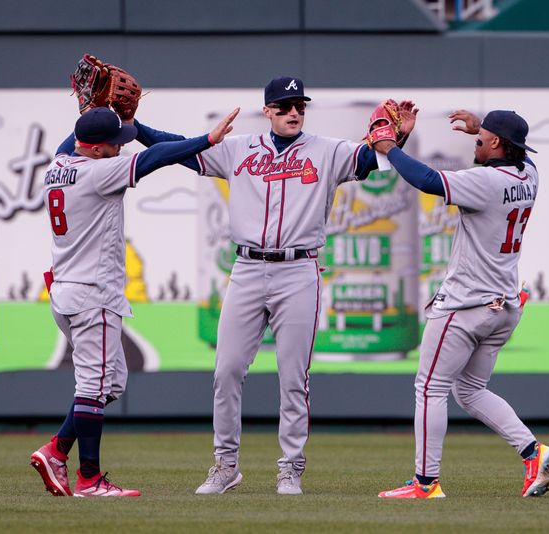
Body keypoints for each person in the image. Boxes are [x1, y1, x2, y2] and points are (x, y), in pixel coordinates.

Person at [130, 77, 413, 495]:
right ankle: (225, 465)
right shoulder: (238, 148)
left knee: (293, 376)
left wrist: (400, 136)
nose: (293, 112)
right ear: (267, 111)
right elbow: (179, 148)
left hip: (298, 272)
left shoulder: (327, 151)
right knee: (226, 370)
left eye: (299, 105)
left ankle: (290, 469)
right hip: (246, 269)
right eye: (283, 106)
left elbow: (370, 160)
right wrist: (134, 127)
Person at [30, 105, 239, 498]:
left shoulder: (58, 165)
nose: (119, 149)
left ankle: (56, 449)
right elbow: (154, 157)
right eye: (113, 145)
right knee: (93, 386)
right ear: (93, 149)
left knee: (111, 382)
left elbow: (75, 139)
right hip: (93, 295)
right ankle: (89, 479)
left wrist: (87, 106)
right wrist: (206, 141)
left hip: (67, 292)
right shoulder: (98, 172)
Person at [373, 107, 549, 499]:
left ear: (497, 143)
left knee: (430, 388)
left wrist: (387, 145)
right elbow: (517, 153)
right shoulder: (530, 174)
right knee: (470, 390)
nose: (476, 140)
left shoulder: (487, 182)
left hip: (467, 305)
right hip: (505, 306)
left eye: (482, 137)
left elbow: (427, 180)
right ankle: (533, 451)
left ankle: (425, 483)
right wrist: (484, 130)